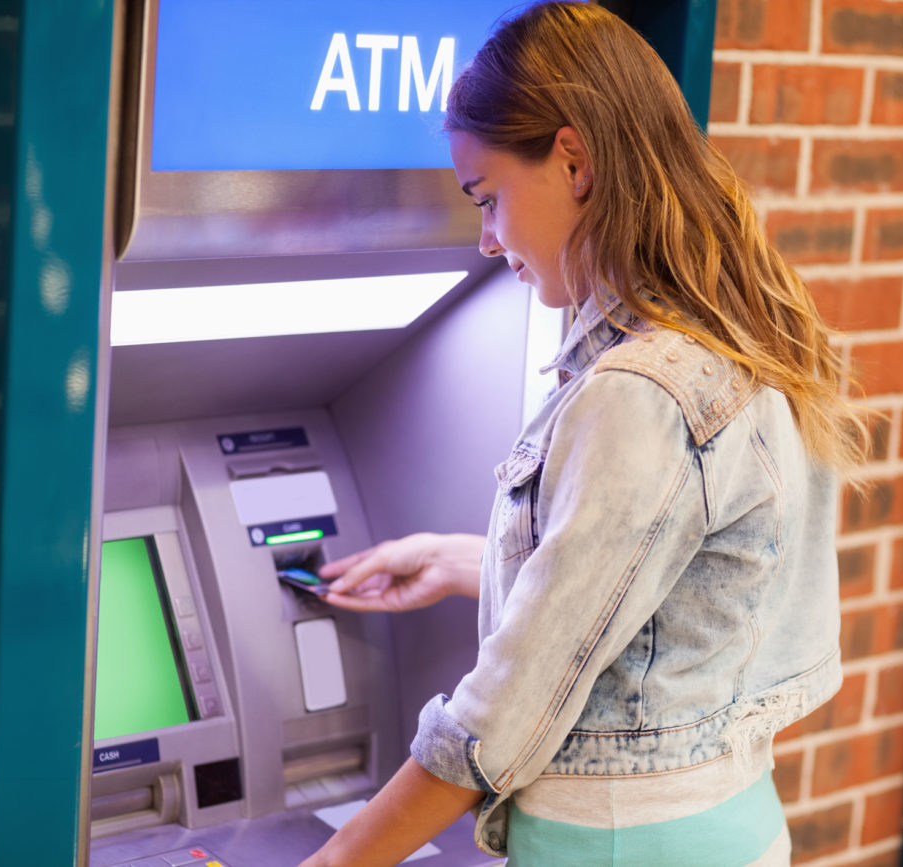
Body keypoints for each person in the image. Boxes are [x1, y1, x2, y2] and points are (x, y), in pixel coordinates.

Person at [298, 3, 870, 865]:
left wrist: (334, 857)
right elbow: (664, 586)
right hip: (723, 822)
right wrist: (459, 562)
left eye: (488, 199)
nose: (488, 240)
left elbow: (504, 716)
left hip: (615, 842)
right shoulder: (742, 334)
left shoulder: (640, 390)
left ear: (573, 161)